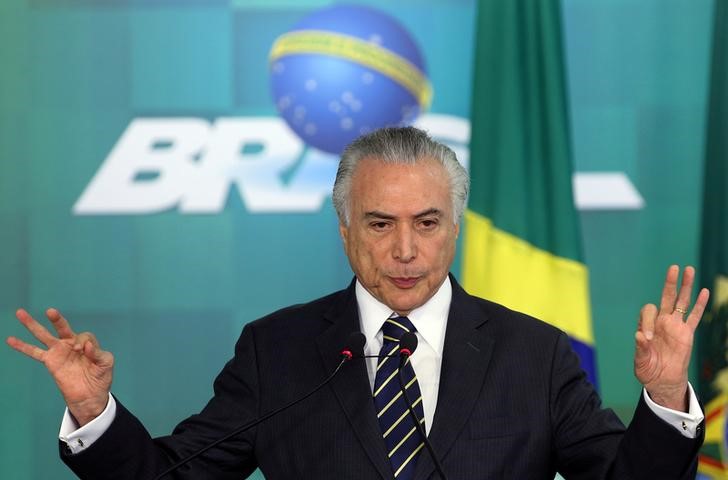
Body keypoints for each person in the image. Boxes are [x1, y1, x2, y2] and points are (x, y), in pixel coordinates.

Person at [7, 126, 708, 479]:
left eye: (427, 223)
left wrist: (668, 394)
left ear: (453, 231)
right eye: (380, 223)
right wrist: (94, 411)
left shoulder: (533, 352)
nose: (405, 249)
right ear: (346, 232)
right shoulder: (276, 350)